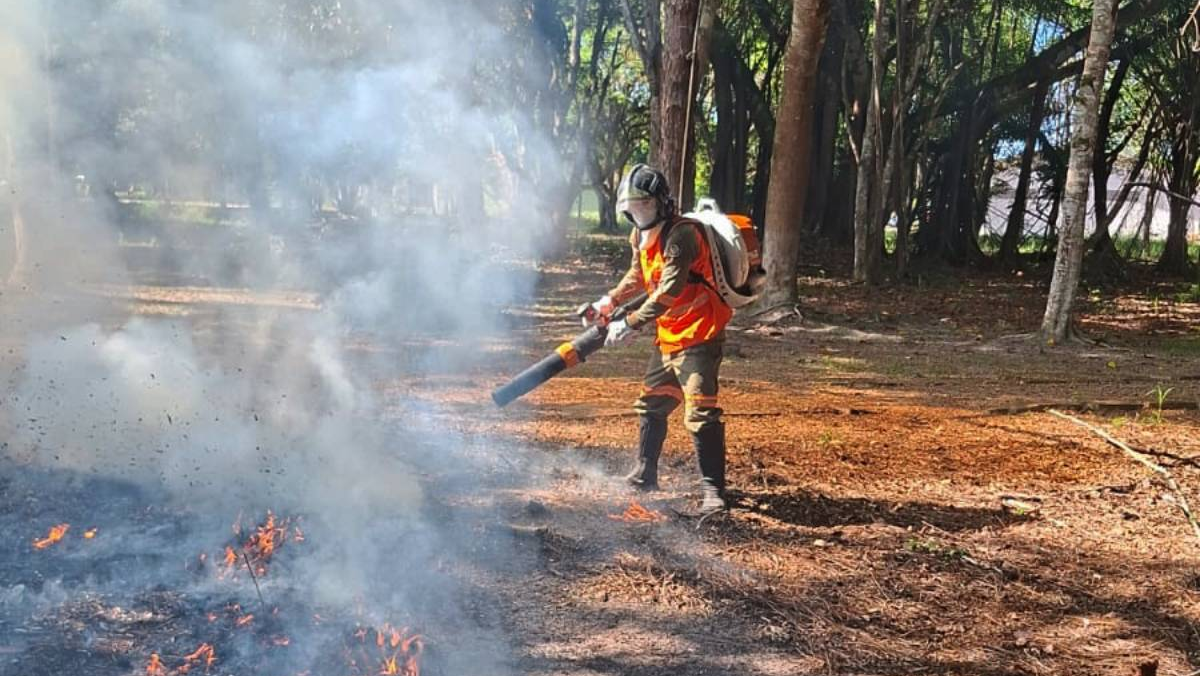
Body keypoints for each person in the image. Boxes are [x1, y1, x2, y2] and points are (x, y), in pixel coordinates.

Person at [585, 164, 733, 512]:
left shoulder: (682, 236)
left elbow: (669, 290)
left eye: (645, 207)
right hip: (669, 333)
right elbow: (639, 274)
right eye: (632, 209)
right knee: (651, 401)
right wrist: (611, 300)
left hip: (700, 332)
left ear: (662, 203)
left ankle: (714, 491)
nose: (639, 214)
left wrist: (631, 322)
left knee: (700, 411)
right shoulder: (640, 235)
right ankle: (644, 474)